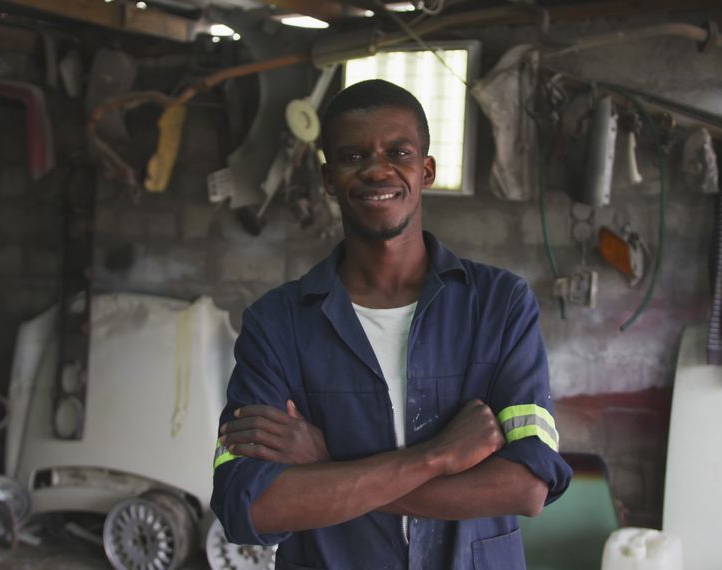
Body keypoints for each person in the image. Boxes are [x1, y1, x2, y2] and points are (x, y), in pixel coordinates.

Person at [210, 79, 571, 569]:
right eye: (353, 156)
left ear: (426, 171)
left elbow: (526, 486)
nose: (377, 169)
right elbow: (249, 506)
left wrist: (330, 467)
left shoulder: (500, 305)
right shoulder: (276, 324)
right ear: (328, 178)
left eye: (398, 153)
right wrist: (435, 457)